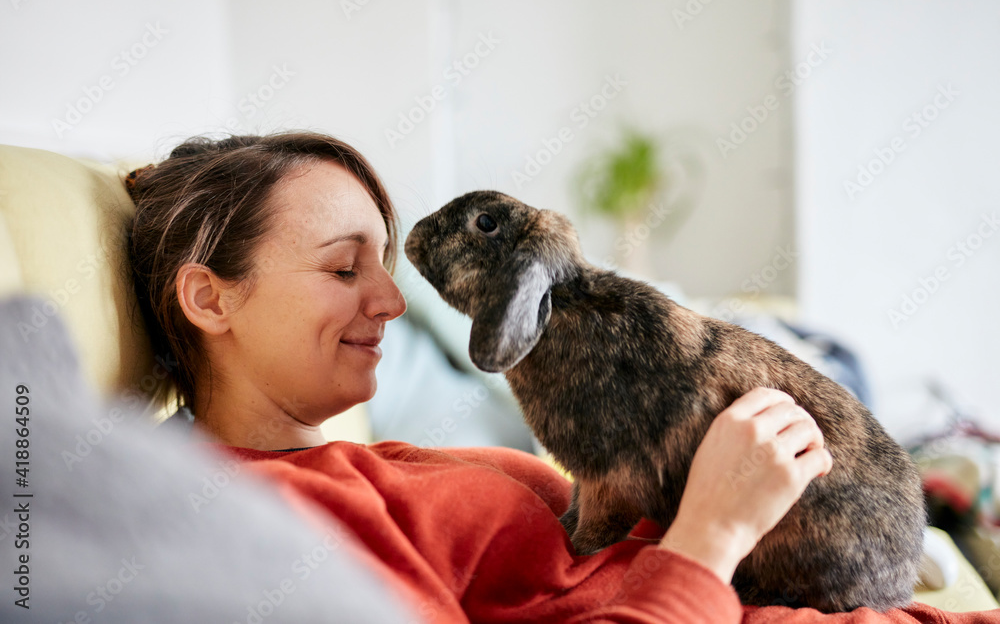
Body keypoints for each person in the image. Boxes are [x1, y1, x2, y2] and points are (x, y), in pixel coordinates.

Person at [125, 132, 998, 623]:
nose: (392, 298)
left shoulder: (383, 464)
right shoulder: (274, 524)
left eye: (385, 264)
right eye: (345, 268)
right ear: (210, 297)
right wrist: (713, 533)